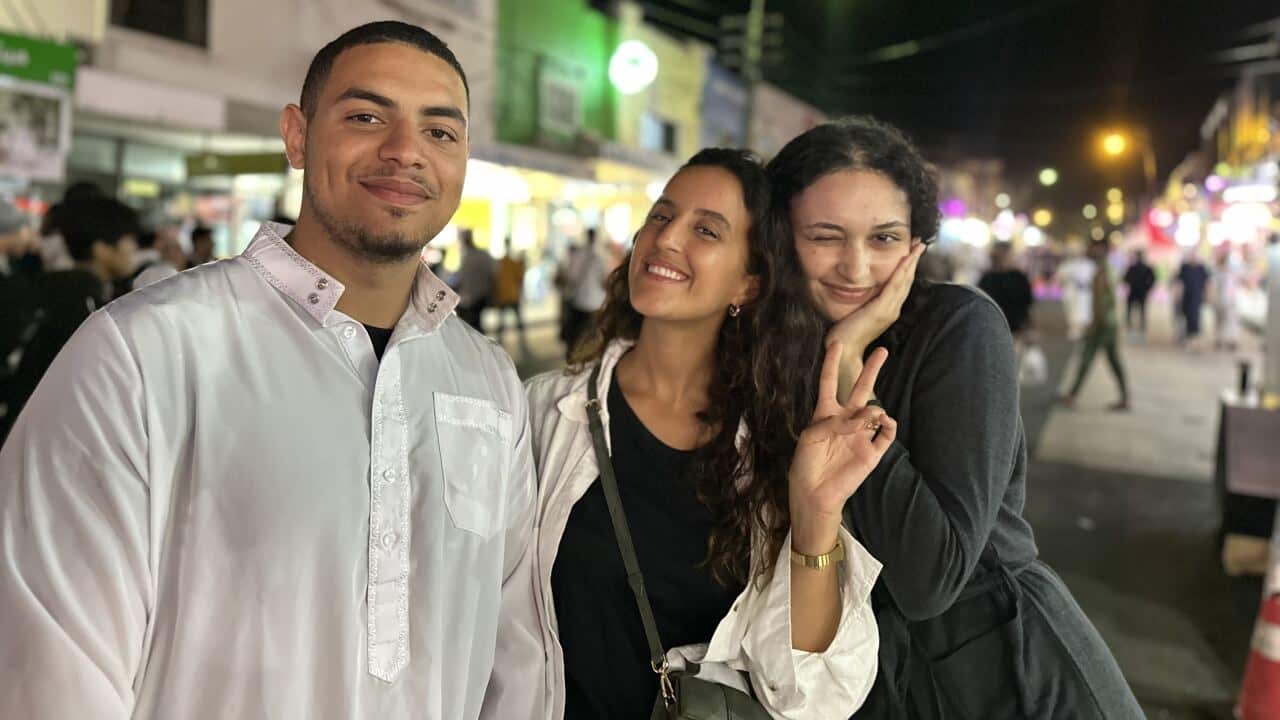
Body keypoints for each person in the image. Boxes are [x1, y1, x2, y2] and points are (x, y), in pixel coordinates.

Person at [0, 21, 543, 719]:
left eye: (440, 132)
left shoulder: (489, 380)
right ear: (297, 135)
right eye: (366, 116)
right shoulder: (144, 354)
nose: (405, 151)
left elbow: (515, 646)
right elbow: (51, 669)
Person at [763, 116, 1142, 719]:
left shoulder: (960, 328)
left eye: (884, 239)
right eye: (825, 237)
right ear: (782, 238)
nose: (856, 269)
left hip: (1005, 672)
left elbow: (929, 579)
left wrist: (848, 374)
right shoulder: (776, 347)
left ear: (918, 243)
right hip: (863, 678)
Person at [526, 149, 887, 719]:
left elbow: (813, 697)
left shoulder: (771, 444)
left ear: (747, 283)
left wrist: (816, 511)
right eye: (662, 217)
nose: (667, 240)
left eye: (706, 230)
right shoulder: (546, 411)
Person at [1061, 239, 1130, 411]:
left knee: (1089, 357)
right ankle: (1123, 397)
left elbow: (1100, 300)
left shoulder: (1100, 270)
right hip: (1109, 322)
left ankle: (1073, 394)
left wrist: (1093, 322)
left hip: (1102, 323)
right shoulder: (1109, 268)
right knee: (1109, 360)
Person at [557, 227, 609, 358]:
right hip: (595, 305)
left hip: (578, 302)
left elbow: (570, 278)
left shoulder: (577, 255)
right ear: (596, 237)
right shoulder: (601, 257)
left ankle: (572, 361)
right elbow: (604, 282)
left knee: (575, 337)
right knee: (592, 341)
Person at [977, 242, 1033, 336]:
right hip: (1003, 327)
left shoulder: (988, 278)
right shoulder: (1018, 277)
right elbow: (1027, 302)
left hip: (1000, 327)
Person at [454, 227, 496, 330]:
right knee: (475, 324)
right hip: (481, 296)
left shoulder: (467, 257)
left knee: (472, 325)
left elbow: (461, 279)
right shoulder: (482, 254)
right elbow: (492, 273)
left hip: (472, 299)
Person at [1056, 243, 1096, 340]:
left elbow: (1093, 278)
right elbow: (1060, 278)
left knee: (1084, 312)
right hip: (1071, 293)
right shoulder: (1066, 265)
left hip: (1084, 293)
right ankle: (1074, 329)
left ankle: (1084, 331)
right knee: (1072, 312)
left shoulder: (1089, 264)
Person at [492, 246, 528, 352]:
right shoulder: (513, 263)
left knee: (502, 320)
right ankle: (522, 339)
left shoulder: (500, 263)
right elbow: (520, 278)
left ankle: (499, 340)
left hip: (503, 296)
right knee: (517, 319)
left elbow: (495, 279)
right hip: (512, 295)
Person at [1176, 250, 1209, 346]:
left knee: (1195, 316)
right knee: (1186, 315)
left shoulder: (1201, 268)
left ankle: (1194, 336)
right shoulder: (1184, 267)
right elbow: (1179, 281)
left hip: (1197, 296)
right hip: (1186, 296)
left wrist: (1208, 294)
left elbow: (1207, 282)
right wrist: (1177, 294)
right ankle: (1188, 335)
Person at [1212, 249, 1243, 351]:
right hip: (1222, 300)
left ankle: (1230, 340)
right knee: (1223, 321)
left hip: (1229, 300)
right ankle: (1222, 339)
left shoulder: (1230, 273)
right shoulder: (1219, 272)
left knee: (1229, 321)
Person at [1121, 248, 1155, 336]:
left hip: (1138, 292)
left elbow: (1125, 279)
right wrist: (1148, 288)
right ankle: (1137, 325)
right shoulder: (1135, 267)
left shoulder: (1136, 267)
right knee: (1138, 309)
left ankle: (1136, 325)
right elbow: (1125, 279)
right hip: (1137, 292)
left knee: (1136, 309)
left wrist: (1148, 288)